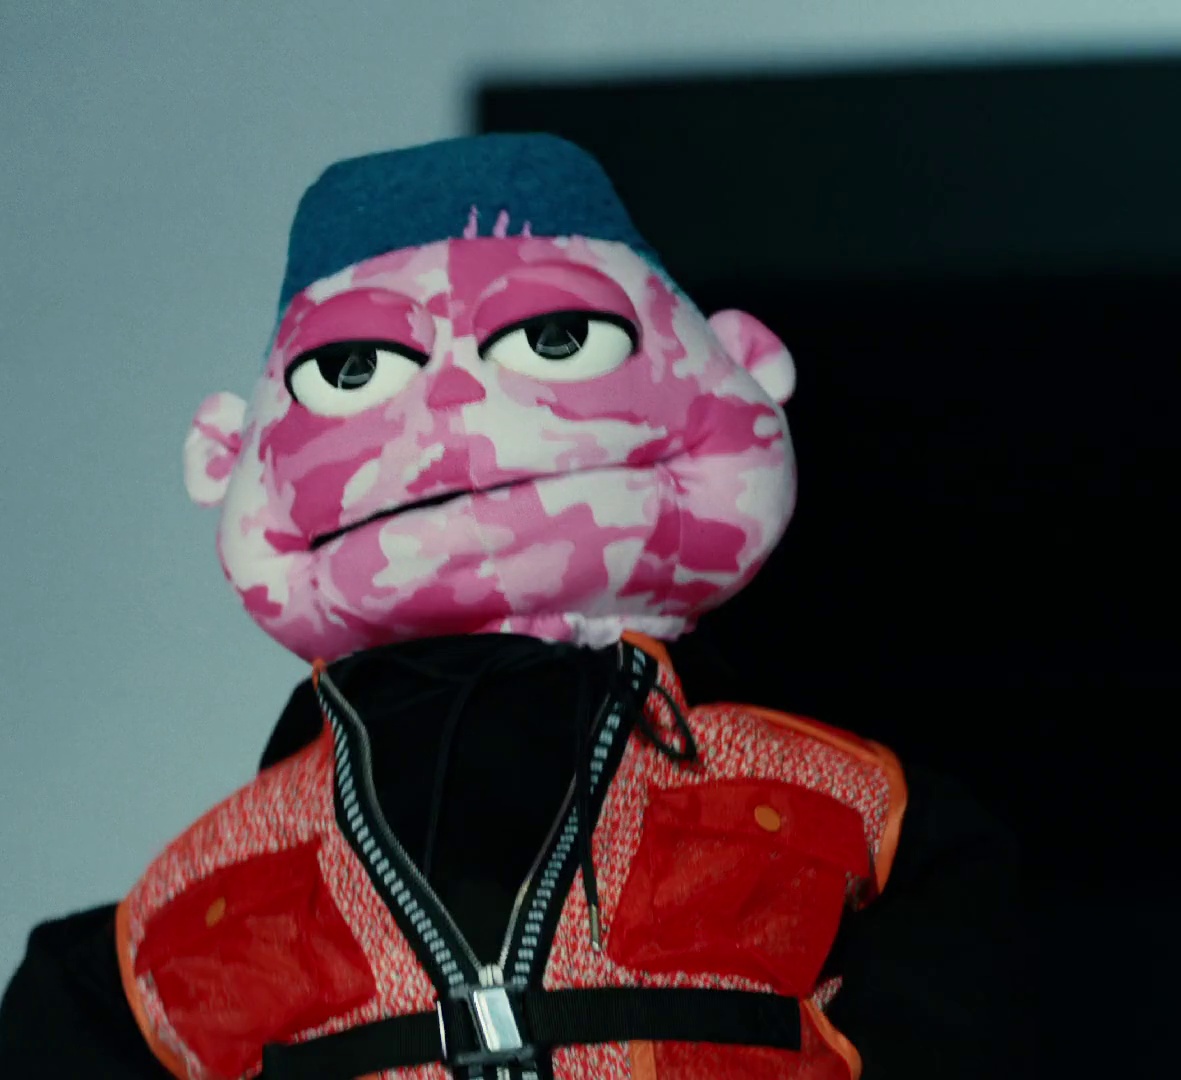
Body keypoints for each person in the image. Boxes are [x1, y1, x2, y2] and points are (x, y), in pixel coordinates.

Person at [0, 134, 1017, 1079]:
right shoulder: (178, 915)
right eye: (352, 369)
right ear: (226, 455)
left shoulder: (861, 815)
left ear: (744, 368)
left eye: (559, 336)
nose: (455, 408)